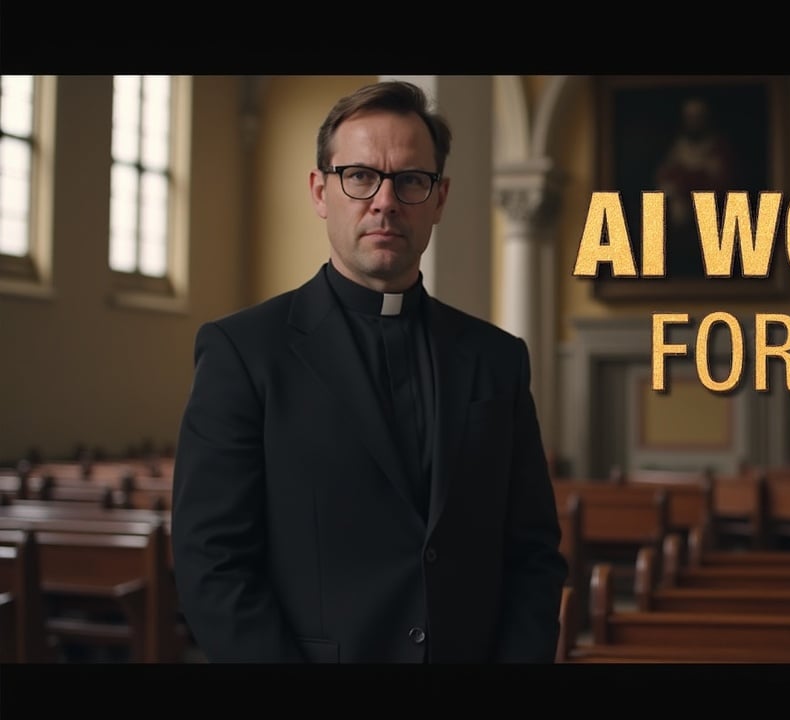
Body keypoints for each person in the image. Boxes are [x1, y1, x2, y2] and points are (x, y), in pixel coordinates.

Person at [170, 80, 568, 663]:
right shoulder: (244, 351)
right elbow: (212, 562)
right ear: (320, 191)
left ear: (440, 198)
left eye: (411, 180)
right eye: (360, 176)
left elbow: (533, 552)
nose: (385, 201)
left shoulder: (497, 358)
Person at [654, 96, 739, 277]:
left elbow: (720, 182)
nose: (694, 122)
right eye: (690, 117)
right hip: (680, 219)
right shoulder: (677, 147)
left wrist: (689, 178)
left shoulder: (719, 147)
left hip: (713, 218)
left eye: (698, 117)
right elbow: (665, 180)